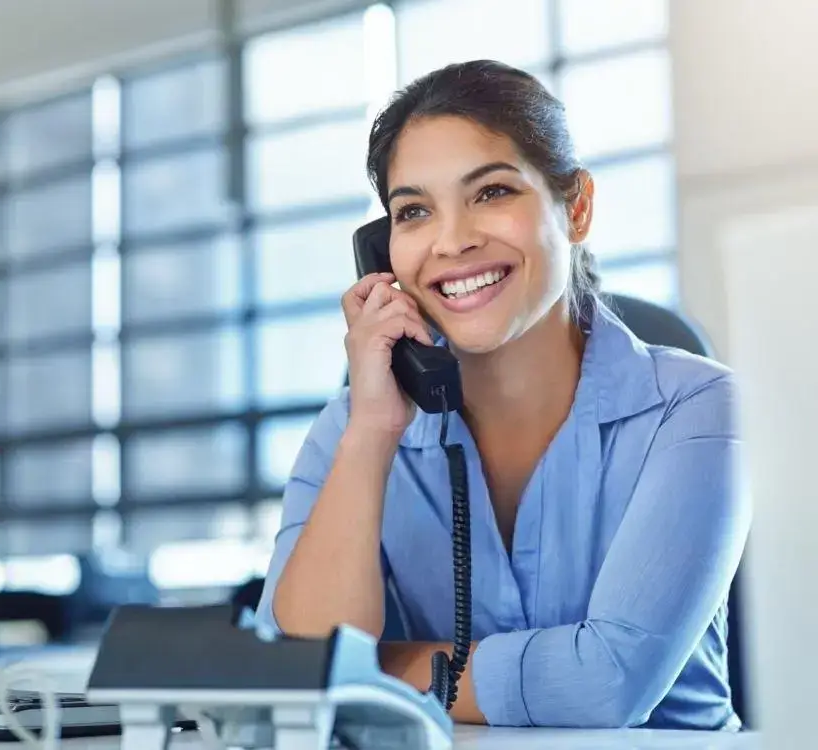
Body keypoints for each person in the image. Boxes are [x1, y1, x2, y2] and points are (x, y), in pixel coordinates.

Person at [253, 59, 750, 731]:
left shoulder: (697, 408)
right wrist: (372, 431)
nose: (453, 240)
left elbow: (604, 686)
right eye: (415, 210)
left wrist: (363, 675)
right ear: (383, 252)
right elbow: (294, 668)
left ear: (575, 207)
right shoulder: (352, 429)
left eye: (491, 192)